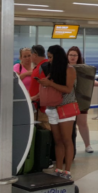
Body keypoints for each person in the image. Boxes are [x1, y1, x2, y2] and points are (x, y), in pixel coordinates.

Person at [38, 45, 77, 180]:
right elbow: (49, 90)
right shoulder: (52, 71)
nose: (48, 60)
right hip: (52, 109)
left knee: (67, 140)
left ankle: (67, 171)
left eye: (50, 57)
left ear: (57, 57)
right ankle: (58, 168)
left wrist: (50, 84)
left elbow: (67, 89)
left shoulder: (70, 70)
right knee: (58, 141)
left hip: (66, 109)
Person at [67, 46, 98, 153]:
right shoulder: (64, 68)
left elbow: (89, 81)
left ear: (78, 57)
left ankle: (87, 145)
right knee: (69, 125)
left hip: (80, 100)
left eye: (75, 55)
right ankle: (70, 146)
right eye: (71, 55)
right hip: (67, 100)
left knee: (82, 123)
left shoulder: (83, 68)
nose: (72, 57)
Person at [29, 45, 50, 129]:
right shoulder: (38, 67)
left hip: (42, 109)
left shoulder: (44, 67)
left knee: (47, 132)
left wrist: (37, 97)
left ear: (35, 54)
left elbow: (48, 85)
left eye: (30, 55)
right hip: (37, 106)